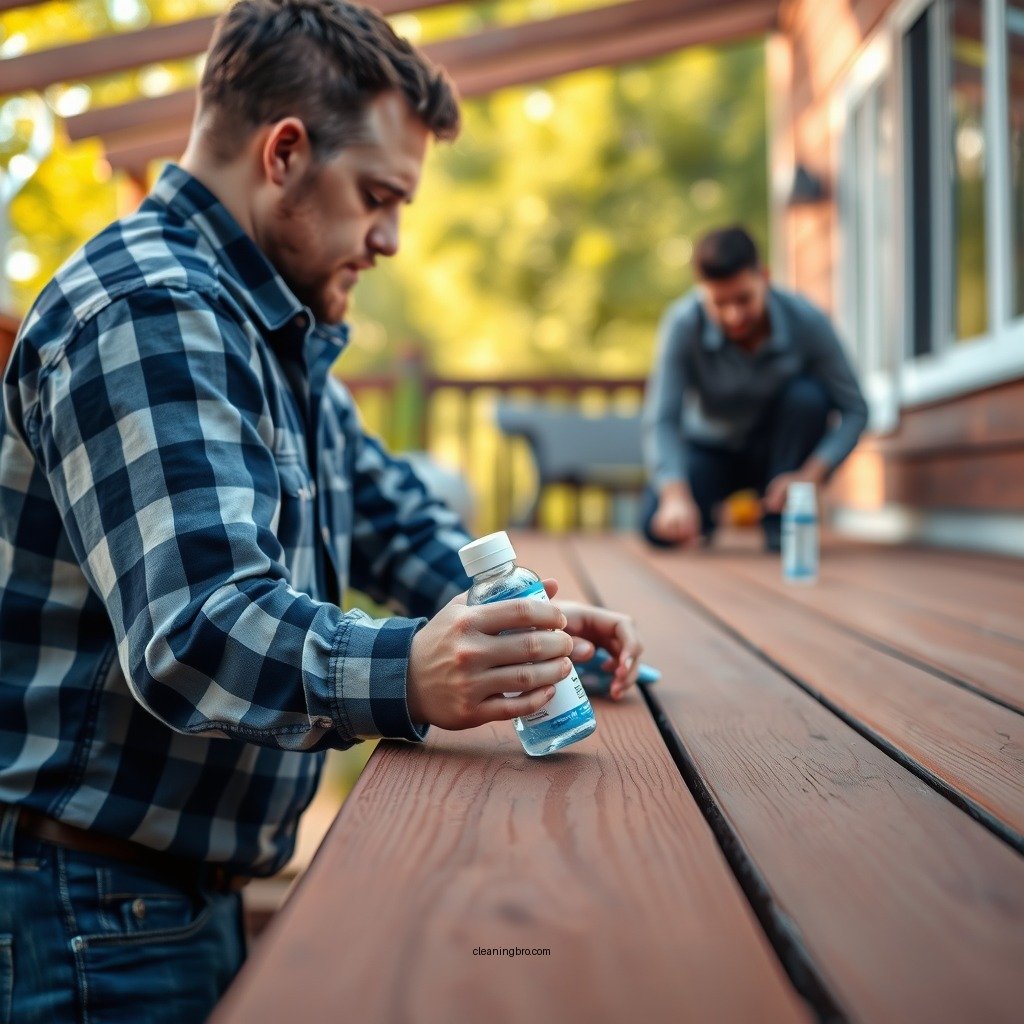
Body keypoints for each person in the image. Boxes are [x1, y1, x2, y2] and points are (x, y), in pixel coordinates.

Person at [0, 2, 643, 1020]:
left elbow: (388, 516)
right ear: (285, 153)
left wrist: (526, 623)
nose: (389, 239)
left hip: (159, 892)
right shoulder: (151, 311)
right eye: (378, 197)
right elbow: (197, 629)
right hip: (83, 905)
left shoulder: (261, 324)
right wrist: (413, 671)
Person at [641, 225, 868, 551]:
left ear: (764, 277)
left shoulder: (808, 321)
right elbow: (662, 419)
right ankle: (707, 517)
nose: (734, 316)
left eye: (743, 299)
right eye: (719, 303)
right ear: (701, 291)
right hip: (710, 449)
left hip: (777, 456)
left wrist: (810, 476)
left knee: (808, 397)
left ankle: (780, 522)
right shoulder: (682, 323)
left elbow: (855, 409)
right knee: (656, 529)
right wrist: (674, 496)